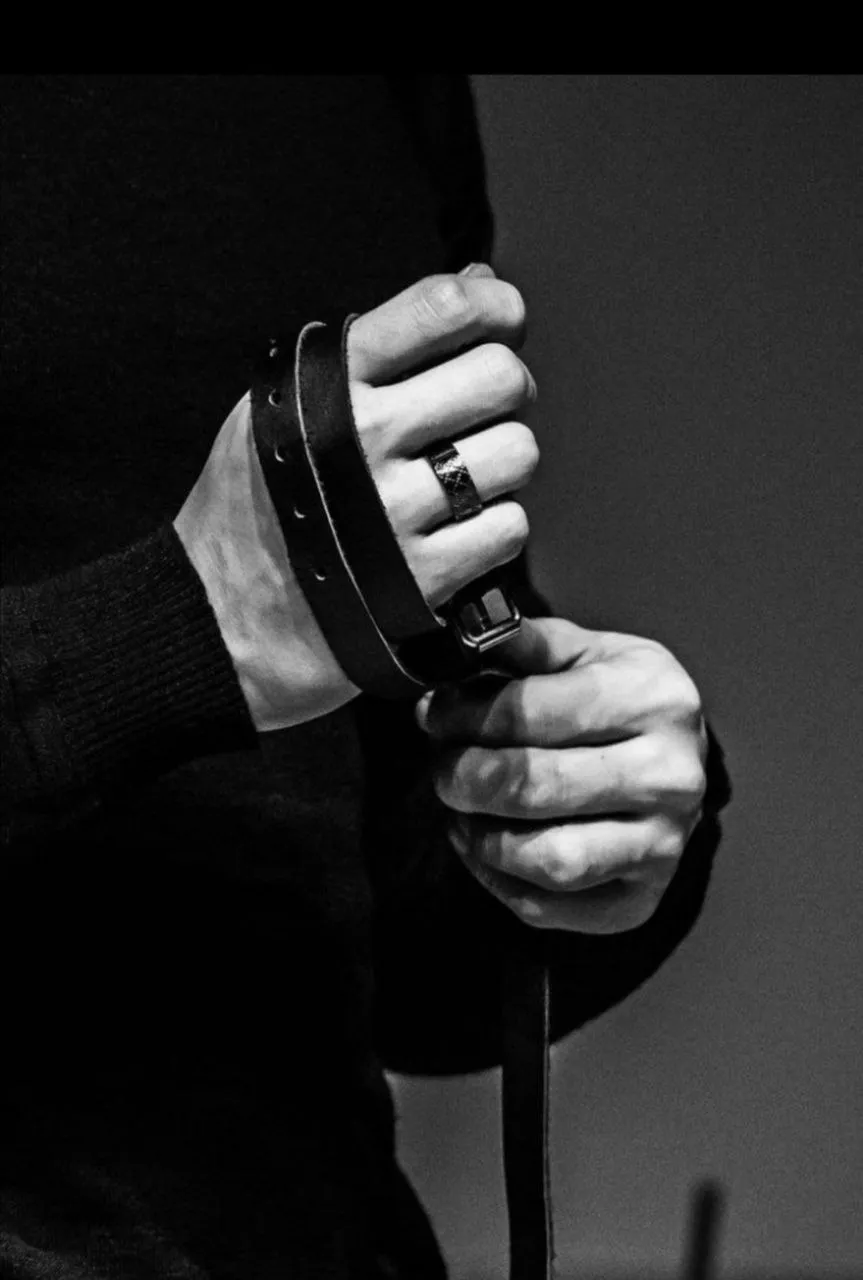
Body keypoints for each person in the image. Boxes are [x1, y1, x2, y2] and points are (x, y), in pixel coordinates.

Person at [0, 75, 731, 1279]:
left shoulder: (384, 99)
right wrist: (177, 629)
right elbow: (229, 622)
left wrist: (575, 807)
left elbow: (394, 950)